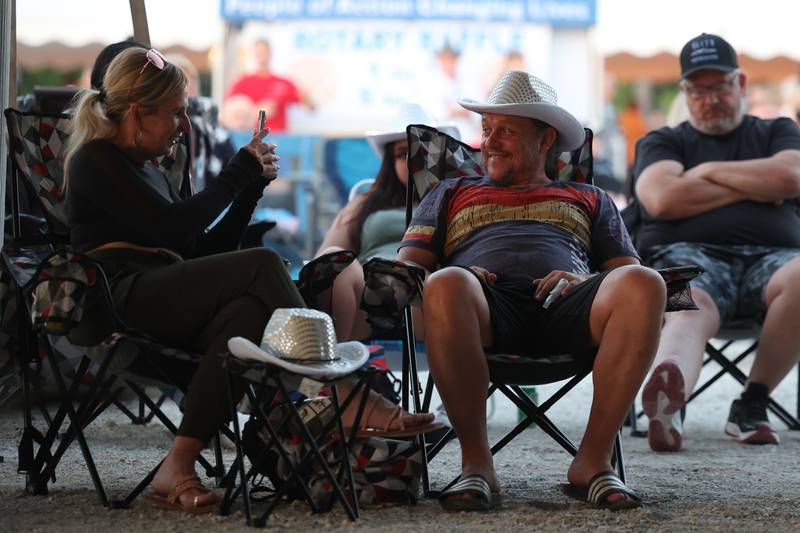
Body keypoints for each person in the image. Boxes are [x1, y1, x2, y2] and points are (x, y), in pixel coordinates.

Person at [64, 47, 431, 513]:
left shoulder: (152, 170)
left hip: (163, 291)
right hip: (119, 297)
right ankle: (341, 390)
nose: (185, 124)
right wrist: (237, 173)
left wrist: (250, 187)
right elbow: (172, 231)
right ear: (139, 113)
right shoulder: (95, 159)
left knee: (247, 314)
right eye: (177, 113)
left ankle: (176, 464)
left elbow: (202, 252)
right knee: (262, 263)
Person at [396, 70, 666, 511]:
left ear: (544, 141)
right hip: (483, 311)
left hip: (570, 308)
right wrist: (458, 274)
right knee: (444, 283)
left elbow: (625, 274)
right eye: (486, 130)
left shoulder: (590, 197)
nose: (490, 141)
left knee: (645, 282)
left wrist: (585, 281)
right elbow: (404, 272)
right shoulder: (451, 191)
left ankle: (593, 462)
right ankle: (476, 466)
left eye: (506, 131)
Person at [633, 33, 800, 452]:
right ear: (685, 93)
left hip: (775, 260)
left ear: (740, 84)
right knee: (688, 306)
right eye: (698, 89)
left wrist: (704, 171)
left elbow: (790, 177)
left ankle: (751, 405)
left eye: (720, 86)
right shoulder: (664, 141)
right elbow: (662, 198)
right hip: (689, 256)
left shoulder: (777, 130)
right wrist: (755, 186)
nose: (711, 99)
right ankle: (669, 399)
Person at [314, 103, 458, 341]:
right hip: (364, 295)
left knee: (421, 275)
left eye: (423, 153)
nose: (413, 162)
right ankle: (339, 367)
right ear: (390, 163)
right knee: (334, 257)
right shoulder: (365, 203)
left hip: (425, 295)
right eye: (403, 154)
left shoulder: (456, 204)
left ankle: (344, 372)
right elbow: (323, 261)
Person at [225, 39, 313, 133]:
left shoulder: (284, 83)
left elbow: (310, 106)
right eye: (259, 52)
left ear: (270, 53)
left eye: (264, 52)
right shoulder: (243, 82)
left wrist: (306, 96)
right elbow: (228, 111)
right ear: (254, 54)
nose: (262, 55)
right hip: (252, 139)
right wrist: (256, 111)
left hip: (278, 139)